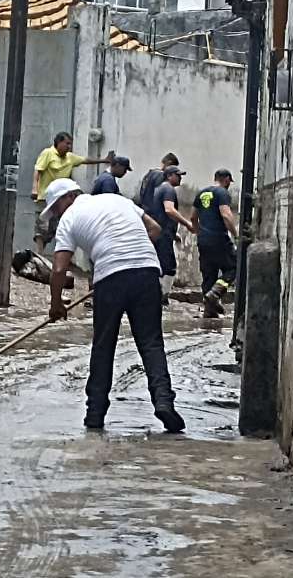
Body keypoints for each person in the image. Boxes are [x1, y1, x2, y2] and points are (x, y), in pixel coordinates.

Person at [42, 179, 185, 433]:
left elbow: (59, 268)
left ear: (67, 198)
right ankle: (163, 400)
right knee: (151, 342)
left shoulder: (69, 218)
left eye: (55, 208)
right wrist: (130, 256)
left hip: (111, 276)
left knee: (104, 345)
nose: (55, 214)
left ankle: (95, 413)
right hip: (147, 271)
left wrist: (56, 305)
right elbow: (154, 229)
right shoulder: (118, 200)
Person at [31, 132, 113, 251]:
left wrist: (103, 160)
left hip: (63, 199)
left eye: (70, 144)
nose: (69, 146)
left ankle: (60, 255)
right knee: (42, 227)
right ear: (58, 142)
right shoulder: (48, 153)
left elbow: (85, 160)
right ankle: (39, 254)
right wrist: (35, 188)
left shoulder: (70, 157)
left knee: (60, 227)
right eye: (67, 143)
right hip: (46, 197)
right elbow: (38, 171)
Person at [193, 168, 239, 318]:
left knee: (209, 275)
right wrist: (236, 235)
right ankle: (215, 293)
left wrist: (198, 233)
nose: (229, 185)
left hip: (203, 241)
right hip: (219, 239)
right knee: (233, 268)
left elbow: (193, 217)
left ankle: (209, 310)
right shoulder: (222, 193)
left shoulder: (201, 193)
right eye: (229, 182)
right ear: (226, 179)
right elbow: (226, 215)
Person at [147, 165, 196, 302]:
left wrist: (174, 233)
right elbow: (169, 210)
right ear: (169, 176)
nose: (180, 178)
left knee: (161, 265)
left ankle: (158, 295)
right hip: (163, 234)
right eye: (178, 175)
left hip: (161, 232)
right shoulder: (168, 189)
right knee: (169, 267)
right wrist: (187, 224)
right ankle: (162, 297)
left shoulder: (159, 189)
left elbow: (160, 214)